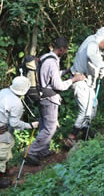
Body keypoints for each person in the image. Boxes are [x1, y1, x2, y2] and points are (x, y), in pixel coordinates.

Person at [25, 37, 85, 166]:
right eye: (66, 50)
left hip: (41, 97)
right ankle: (30, 152)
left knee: (43, 125)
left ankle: (42, 151)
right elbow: (59, 86)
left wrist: (66, 71)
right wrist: (74, 79)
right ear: (62, 49)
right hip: (49, 99)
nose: (66, 52)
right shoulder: (52, 62)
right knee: (50, 129)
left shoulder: (46, 57)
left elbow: (51, 75)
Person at [0, 76, 39, 189]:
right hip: (2, 131)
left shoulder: (3, 91)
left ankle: (3, 171)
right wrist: (30, 125)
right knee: (2, 154)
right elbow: (14, 123)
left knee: (6, 149)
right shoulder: (16, 103)